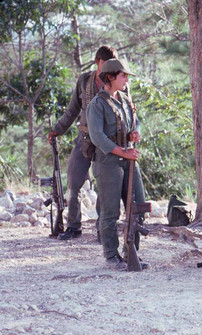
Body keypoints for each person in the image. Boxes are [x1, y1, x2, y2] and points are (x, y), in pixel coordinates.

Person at [48, 46, 117, 240]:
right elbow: (72, 111)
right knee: (74, 182)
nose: (109, 67)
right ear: (97, 62)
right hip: (85, 139)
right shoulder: (84, 81)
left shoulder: (117, 82)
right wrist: (57, 130)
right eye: (105, 63)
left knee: (104, 186)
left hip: (106, 141)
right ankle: (73, 227)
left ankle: (102, 229)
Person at [86, 59, 147, 270]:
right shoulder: (97, 104)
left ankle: (132, 253)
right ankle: (111, 256)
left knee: (138, 207)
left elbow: (134, 122)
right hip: (108, 163)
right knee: (110, 212)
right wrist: (123, 152)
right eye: (123, 76)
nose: (126, 79)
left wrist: (135, 132)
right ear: (110, 77)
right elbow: (97, 137)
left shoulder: (125, 99)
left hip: (128, 160)